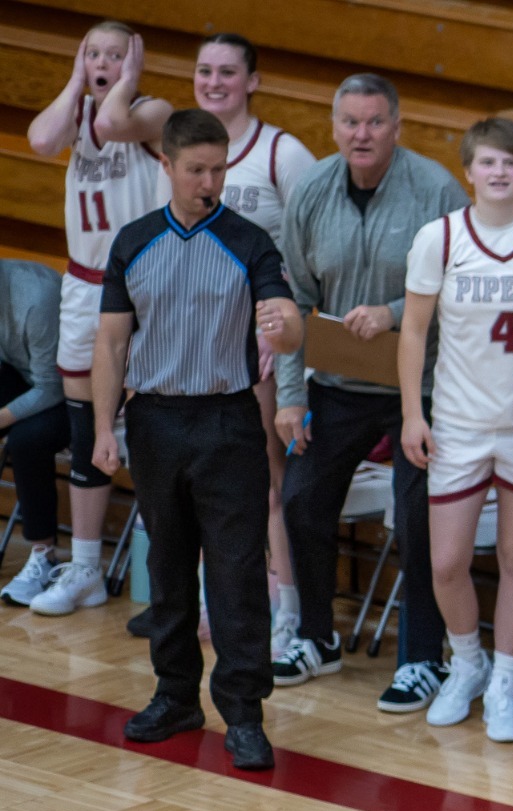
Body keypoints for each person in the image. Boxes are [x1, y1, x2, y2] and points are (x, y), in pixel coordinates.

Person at [87, 107, 302, 770]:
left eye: (218, 169)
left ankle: (244, 714)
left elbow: (290, 326)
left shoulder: (249, 242)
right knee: (168, 566)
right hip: (153, 420)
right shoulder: (133, 242)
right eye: (196, 170)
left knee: (237, 572)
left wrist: (284, 326)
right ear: (168, 166)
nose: (210, 182)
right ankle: (175, 695)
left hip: (228, 421)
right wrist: (102, 427)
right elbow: (111, 343)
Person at [271, 74, 468, 713]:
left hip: (423, 389)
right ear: (334, 128)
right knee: (301, 498)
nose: (362, 134)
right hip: (338, 384)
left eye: (375, 122)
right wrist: (291, 396)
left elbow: (463, 287)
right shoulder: (310, 191)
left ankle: (422, 658)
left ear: (396, 127)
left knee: (416, 516)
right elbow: (293, 301)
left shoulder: (436, 189)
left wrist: (393, 312)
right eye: (351, 122)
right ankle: (316, 638)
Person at [399, 118, 513, 744]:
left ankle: (505, 678)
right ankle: (467, 662)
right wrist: (413, 413)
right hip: (458, 422)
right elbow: (414, 331)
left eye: (510, 162)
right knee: (446, 561)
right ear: (468, 171)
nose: (499, 172)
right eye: (487, 162)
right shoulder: (440, 237)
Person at [21, 21, 167, 615]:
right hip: (83, 284)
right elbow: (40, 141)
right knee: (86, 429)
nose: (103, 63)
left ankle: (164, 572)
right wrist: (74, 80)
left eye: (114, 54)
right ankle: (84, 567)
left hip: (140, 288)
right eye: (94, 54)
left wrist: (126, 81)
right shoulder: (76, 111)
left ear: (134, 60)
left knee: (149, 427)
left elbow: (111, 125)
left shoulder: (154, 110)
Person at [192, 32, 316, 655]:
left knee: (267, 479)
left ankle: (284, 607)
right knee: (203, 475)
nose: (214, 82)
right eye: (204, 71)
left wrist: (285, 323)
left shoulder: (282, 153)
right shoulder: (184, 149)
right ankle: (213, 597)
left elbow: (310, 247)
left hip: (261, 343)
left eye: (227, 72)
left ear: (253, 81)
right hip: (197, 341)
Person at [0, 260, 68, 608]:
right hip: (20, 373)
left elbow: (50, 388)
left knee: (26, 441)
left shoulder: (35, 298)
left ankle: (44, 556)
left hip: (70, 392)